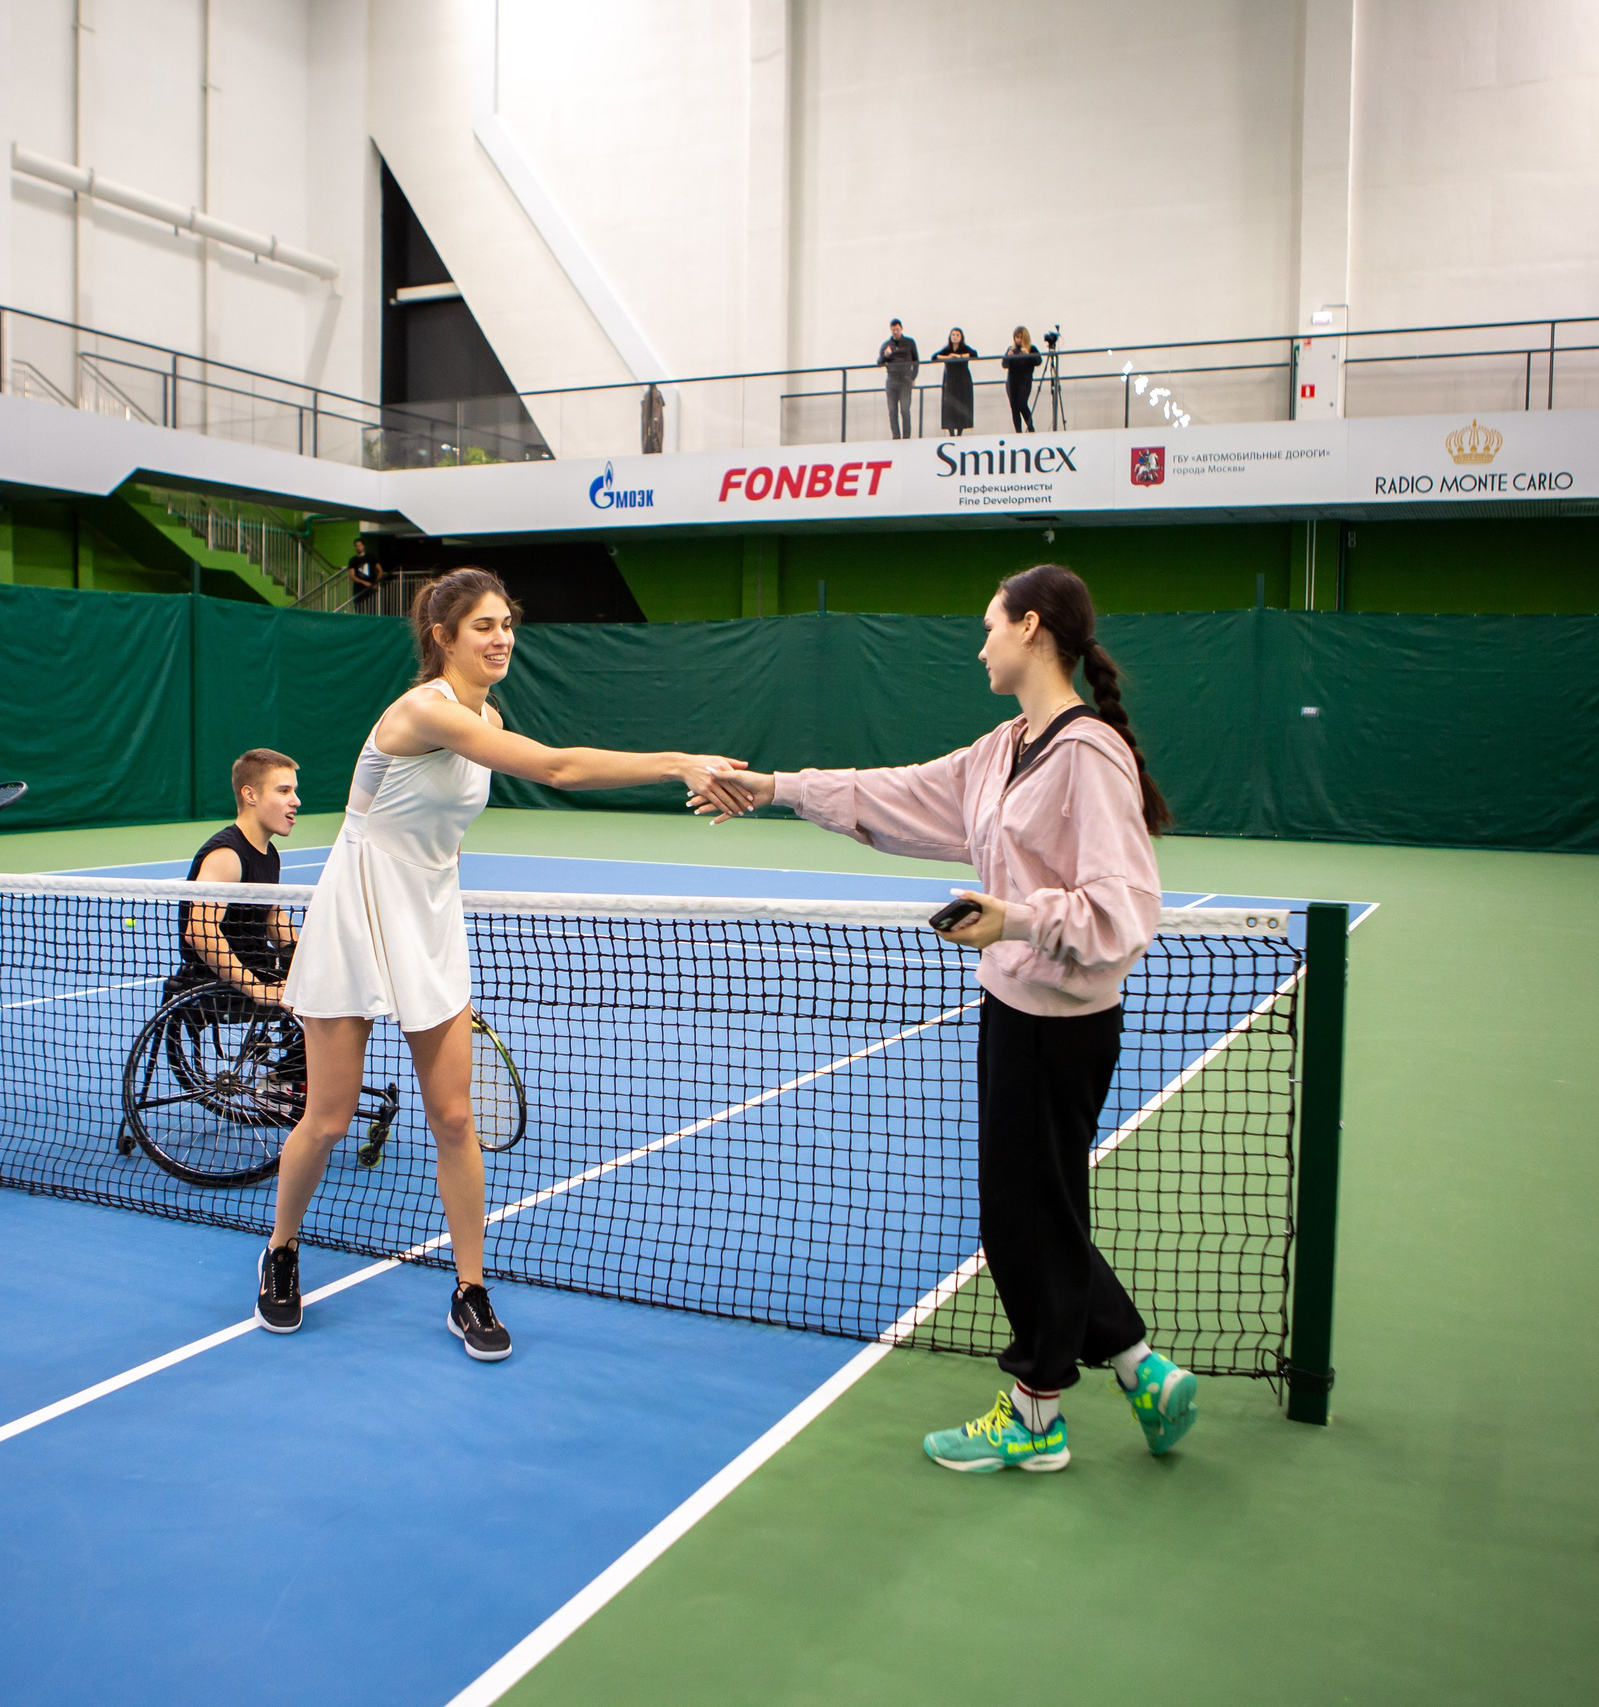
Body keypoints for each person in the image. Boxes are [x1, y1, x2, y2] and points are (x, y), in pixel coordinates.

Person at [691, 565, 1196, 1472]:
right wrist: (771, 786)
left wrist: (1018, 919)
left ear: (1031, 627)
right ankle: (1139, 1367)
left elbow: (1126, 911)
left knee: (1022, 1218)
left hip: (1061, 1026)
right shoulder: (1002, 749)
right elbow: (890, 793)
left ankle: (1036, 1420)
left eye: (990, 625)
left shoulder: (1089, 755)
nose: (981, 644)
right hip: (1011, 1008)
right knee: (1039, 1208)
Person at [258, 567, 753, 1359]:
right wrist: (678, 761)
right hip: (357, 911)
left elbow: (444, 831)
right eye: (483, 626)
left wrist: (434, 931)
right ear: (443, 637)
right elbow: (557, 769)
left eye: (507, 624)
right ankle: (282, 1250)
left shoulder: (487, 713)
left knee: (455, 1118)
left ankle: (470, 1289)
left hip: (428, 919)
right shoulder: (425, 710)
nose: (501, 638)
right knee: (329, 1118)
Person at [179, 748, 301, 1006]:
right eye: (283, 791)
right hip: (219, 985)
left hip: (260, 969)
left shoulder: (269, 853)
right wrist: (257, 989)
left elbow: (271, 915)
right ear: (250, 795)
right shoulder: (227, 855)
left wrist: (305, 959)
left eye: (294, 791)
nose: (296, 801)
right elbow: (200, 931)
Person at [877, 319, 921, 440]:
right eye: (893, 330)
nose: (895, 332)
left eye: (897, 329)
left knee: (905, 410)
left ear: (901, 329)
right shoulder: (887, 345)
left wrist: (913, 377)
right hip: (892, 379)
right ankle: (896, 436)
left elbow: (916, 361)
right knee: (892, 410)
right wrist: (886, 355)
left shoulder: (909, 343)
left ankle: (906, 436)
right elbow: (879, 362)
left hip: (905, 379)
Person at [934, 328, 978, 435]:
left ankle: (959, 432)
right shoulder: (947, 349)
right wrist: (948, 357)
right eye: (953, 334)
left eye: (957, 335)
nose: (955, 337)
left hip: (963, 380)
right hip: (950, 380)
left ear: (961, 337)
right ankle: (951, 432)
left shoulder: (964, 348)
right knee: (949, 406)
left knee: (961, 404)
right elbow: (934, 357)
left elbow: (974, 354)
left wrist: (960, 357)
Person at [1001, 327, 1042, 434]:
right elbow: (1004, 365)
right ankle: (1018, 431)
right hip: (1012, 381)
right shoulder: (1011, 349)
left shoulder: (1032, 349)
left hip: (1025, 381)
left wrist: (1028, 355)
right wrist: (1008, 357)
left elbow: (1038, 361)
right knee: (1014, 407)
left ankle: (1030, 427)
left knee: (1022, 404)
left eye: (1021, 337)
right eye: (1017, 337)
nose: (1019, 340)